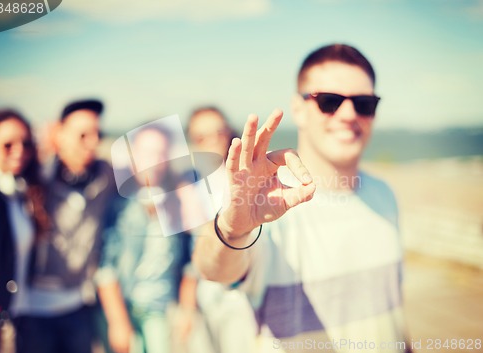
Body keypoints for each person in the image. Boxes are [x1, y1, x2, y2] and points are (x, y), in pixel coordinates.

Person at [193, 44, 410, 353]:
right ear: (298, 110)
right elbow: (214, 269)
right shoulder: (269, 203)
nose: (349, 114)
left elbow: (395, 317)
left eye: (363, 103)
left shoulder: (385, 196)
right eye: (330, 101)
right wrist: (233, 227)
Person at [16, 99, 117, 353]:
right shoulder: (33, 178)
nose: (92, 142)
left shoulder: (106, 176)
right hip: (33, 310)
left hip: (79, 305)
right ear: (58, 134)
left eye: (97, 134)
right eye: (83, 134)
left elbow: (147, 176)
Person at [96, 123, 192, 353]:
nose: (155, 160)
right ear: (133, 156)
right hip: (125, 305)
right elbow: (106, 266)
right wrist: (118, 322)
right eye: (147, 153)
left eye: (161, 153)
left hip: (160, 307)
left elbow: (190, 257)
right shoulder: (118, 202)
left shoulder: (180, 198)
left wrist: (187, 308)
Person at [185, 106, 257, 353]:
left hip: (240, 289)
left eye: (218, 132)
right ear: (192, 141)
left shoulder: (245, 176)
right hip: (200, 289)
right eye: (202, 136)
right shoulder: (188, 183)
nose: (213, 140)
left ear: (229, 133)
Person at [0, 109, 47, 353]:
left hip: (17, 315)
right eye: (8, 144)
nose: (19, 151)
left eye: (26, 143)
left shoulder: (18, 191)